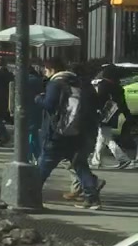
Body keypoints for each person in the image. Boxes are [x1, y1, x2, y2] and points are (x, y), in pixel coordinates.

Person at [35, 56, 102, 209]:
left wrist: (38, 99)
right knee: (80, 165)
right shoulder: (78, 83)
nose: (45, 72)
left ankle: (30, 194)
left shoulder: (55, 83)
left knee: (44, 165)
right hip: (76, 132)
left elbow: (50, 105)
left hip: (56, 133)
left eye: (46, 69)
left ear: (52, 69)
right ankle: (92, 198)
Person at [90, 65, 133, 169]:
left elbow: (98, 100)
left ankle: (123, 159)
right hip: (113, 115)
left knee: (106, 138)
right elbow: (123, 104)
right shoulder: (118, 87)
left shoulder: (103, 85)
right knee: (102, 137)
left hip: (103, 114)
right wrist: (127, 115)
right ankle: (96, 161)